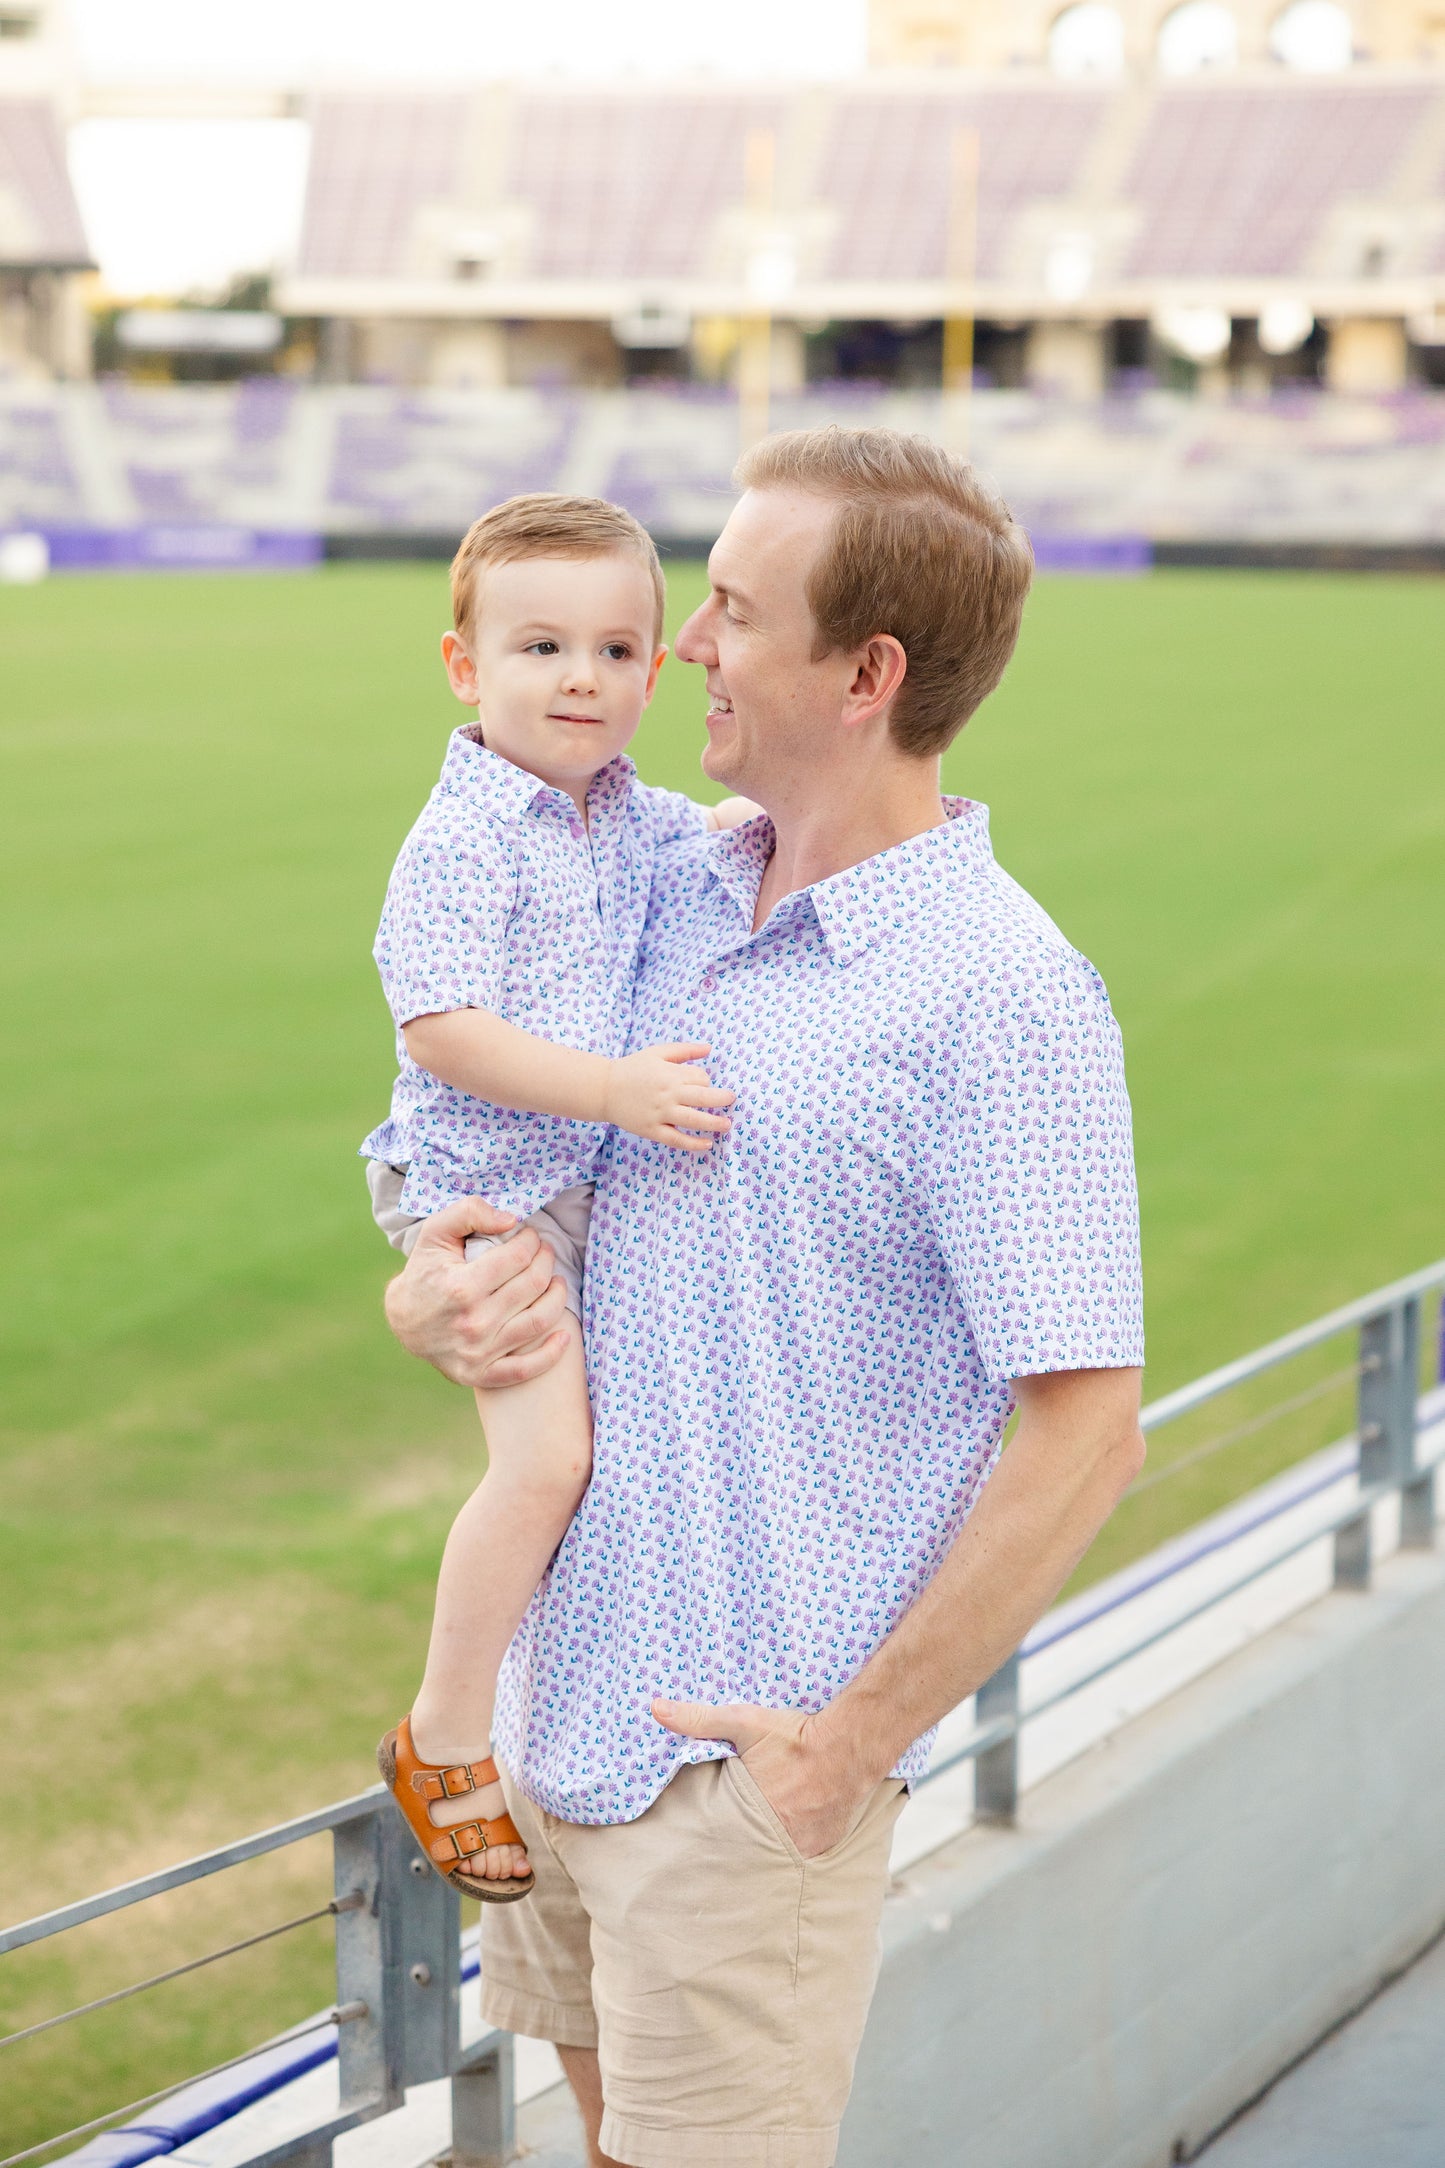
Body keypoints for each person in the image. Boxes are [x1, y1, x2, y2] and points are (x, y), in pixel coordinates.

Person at [382, 426, 1147, 2168]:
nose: (683, 652)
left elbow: (1088, 1427)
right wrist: (431, 1300)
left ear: (864, 673)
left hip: (735, 1778)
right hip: (554, 1727)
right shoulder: (660, 877)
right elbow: (507, 1159)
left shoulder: (1002, 1000)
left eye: (726, 610)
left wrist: (839, 1752)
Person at [361, 493, 754, 1899]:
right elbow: (441, 1029)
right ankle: (444, 1735)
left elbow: (715, 835)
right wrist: (610, 1090)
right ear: (465, 666)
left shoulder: (620, 813)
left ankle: (544, 1724)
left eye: (614, 650)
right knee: (542, 1465)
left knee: (605, 1463)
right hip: (486, 1201)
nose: (580, 679)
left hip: (576, 1192)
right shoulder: (464, 838)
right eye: (539, 647)